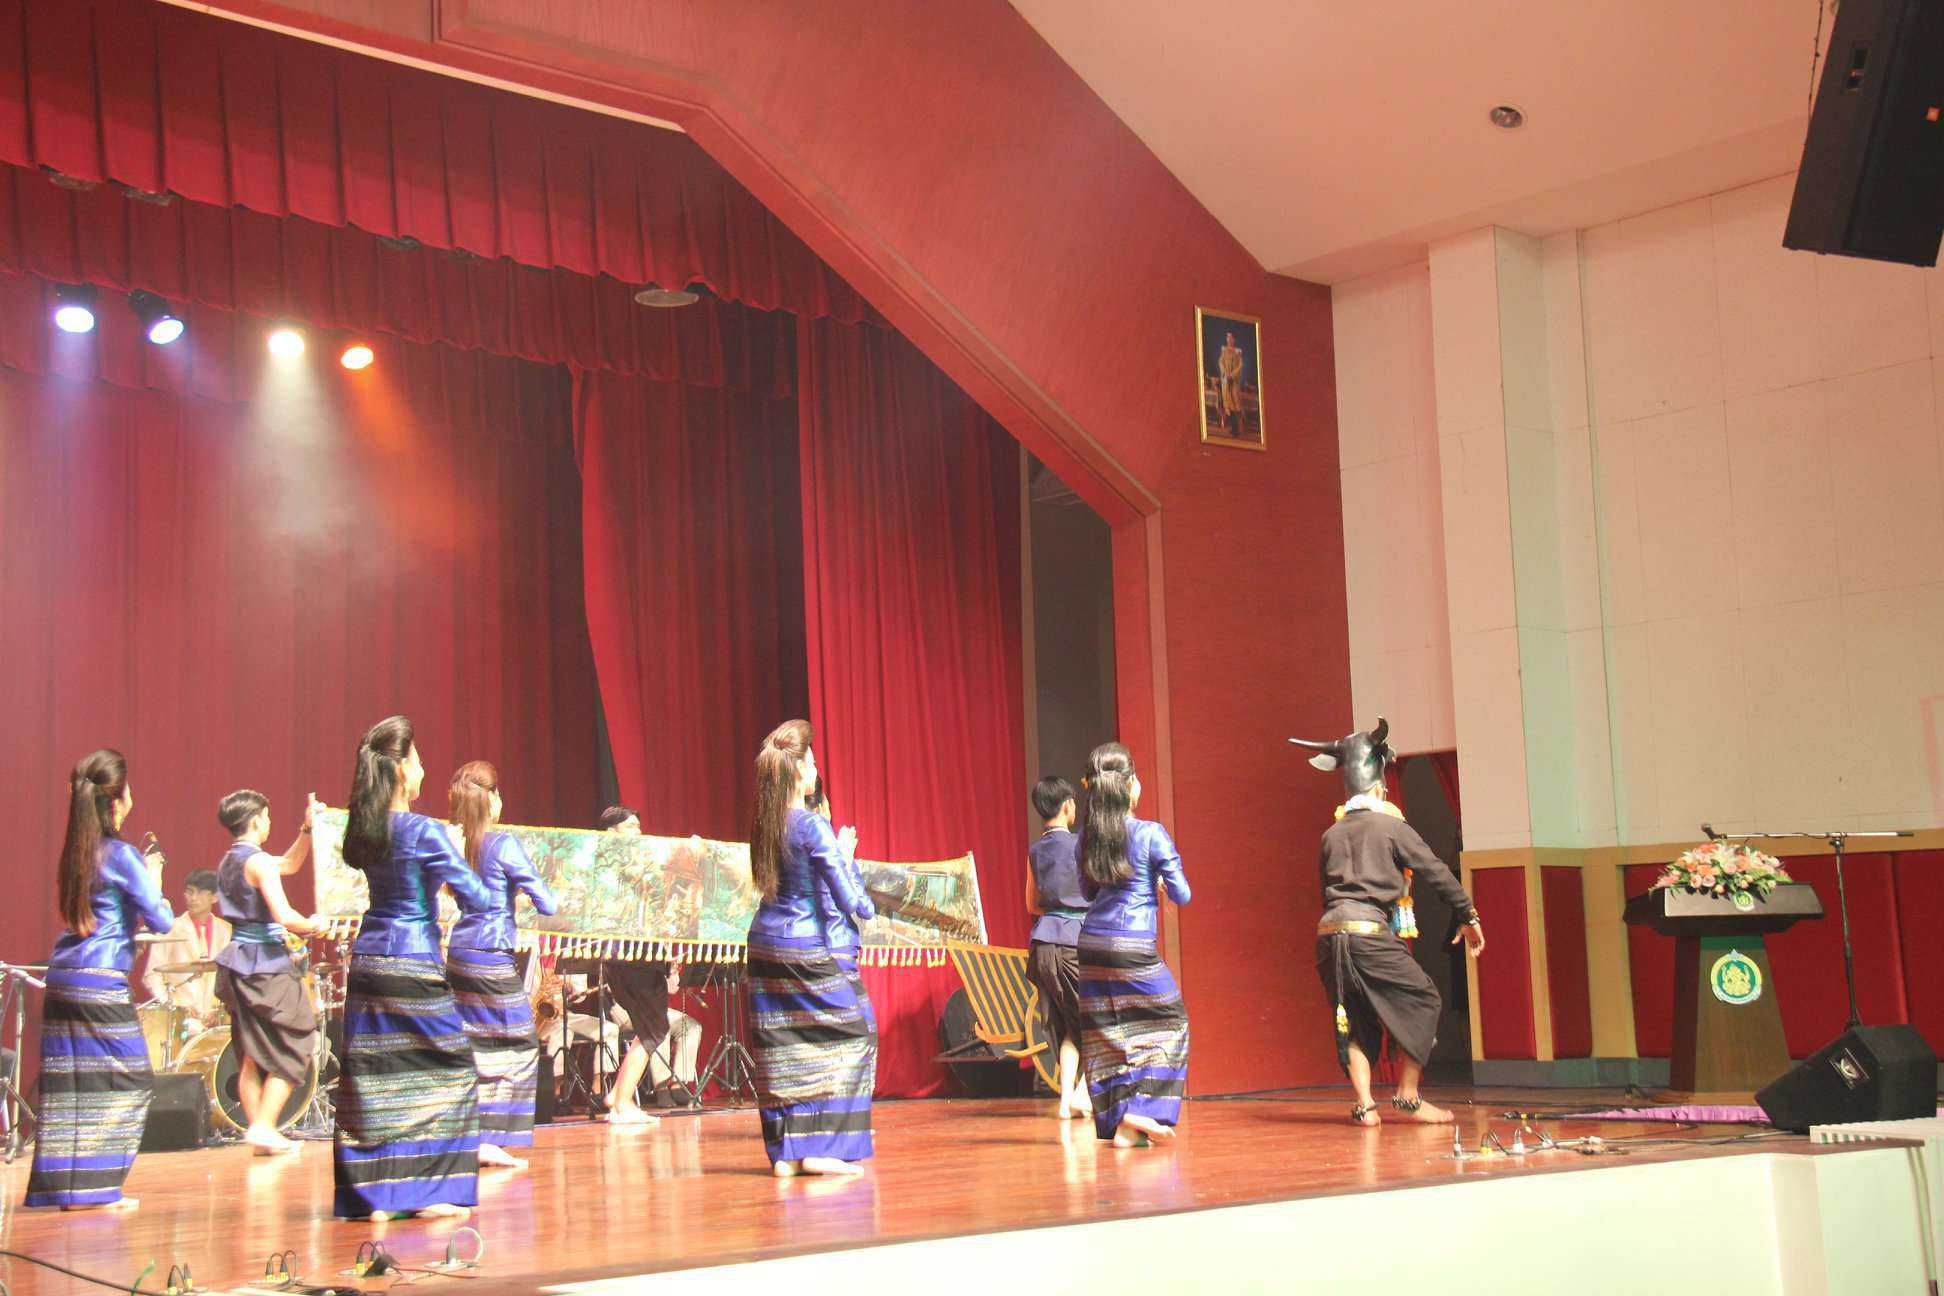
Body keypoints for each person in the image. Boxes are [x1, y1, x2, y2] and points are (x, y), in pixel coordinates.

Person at [332, 716, 493, 1220]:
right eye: (418, 760)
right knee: (452, 1072)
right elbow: (477, 896)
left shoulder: (365, 828)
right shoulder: (424, 831)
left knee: (375, 1076)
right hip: (413, 961)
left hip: (368, 961)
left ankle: (374, 1197)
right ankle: (427, 1194)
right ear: (401, 769)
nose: (423, 770)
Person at [1291, 718, 1485, 1127]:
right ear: (1380, 788)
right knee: (1425, 999)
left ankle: (1365, 1107)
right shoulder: (1392, 827)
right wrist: (1468, 915)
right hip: (1368, 933)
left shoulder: (1331, 835)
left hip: (1330, 934)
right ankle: (1408, 1095)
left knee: (1354, 1017)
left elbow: (1324, 889)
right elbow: (1436, 871)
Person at [25, 749, 173, 1210]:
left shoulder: (76, 852)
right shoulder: (122, 854)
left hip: (64, 975)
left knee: (70, 1085)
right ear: (117, 799)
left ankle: (65, 1190)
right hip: (100, 978)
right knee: (133, 1078)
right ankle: (96, 1188)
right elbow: (162, 919)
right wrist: (154, 876)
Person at [745, 720, 876, 1177]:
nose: (817, 769)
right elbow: (847, 897)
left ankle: (788, 1152)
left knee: (783, 1041)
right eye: (813, 761)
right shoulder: (811, 825)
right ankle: (823, 1148)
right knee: (857, 1033)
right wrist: (868, 904)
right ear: (798, 769)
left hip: (763, 942)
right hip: (801, 943)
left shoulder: (766, 823)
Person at [1076, 742, 1191, 1149]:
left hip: (1091, 944)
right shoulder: (1150, 833)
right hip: (1132, 944)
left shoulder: (1087, 837)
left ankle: (1123, 1124)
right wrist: (1158, 879)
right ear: (1128, 786)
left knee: (1110, 1032)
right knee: (1171, 1022)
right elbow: (1182, 894)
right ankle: (1143, 1110)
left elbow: (1087, 893)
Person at [447, 761, 558, 1168]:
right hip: (491, 953)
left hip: (461, 951)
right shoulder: (502, 844)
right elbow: (547, 903)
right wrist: (527, 893)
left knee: (478, 1042)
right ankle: (490, 1138)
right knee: (521, 1042)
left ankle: (472, 1135)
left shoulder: (459, 845)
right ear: (491, 799)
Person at [209, 788, 327, 1155]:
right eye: (268, 816)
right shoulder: (258, 862)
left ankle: (261, 1133)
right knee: (298, 1039)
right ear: (257, 819)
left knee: (252, 1052)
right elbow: (284, 915)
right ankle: (263, 1125)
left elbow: (289, 864)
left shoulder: (230, 861)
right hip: (265, 964)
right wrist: (315, 923)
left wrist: (307, 830)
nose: (270, 822)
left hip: (240, 961)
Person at [594, 804, 668, 1127]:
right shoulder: (624, 868)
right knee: (654, 1028)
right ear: (611, 834)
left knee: (646, 1027)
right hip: (634, 956)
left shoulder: (606, 867)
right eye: (630, 827)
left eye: (639, 827)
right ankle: (623, 1103)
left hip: (625, 956)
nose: (638, 833)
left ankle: (617, 1095)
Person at [1024, 775, 1089, 1120]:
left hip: (1043, 942)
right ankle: (1082, 1094)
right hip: (1073, 941)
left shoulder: (1036, 850)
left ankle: (1065, 1102)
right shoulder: (1080, 845)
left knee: (1067, 1026)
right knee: (1095, 1022)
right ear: (1067, 806)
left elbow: (1031, 904)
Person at [141, 869, 229, 1026]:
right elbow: (151, 975)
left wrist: (223, 1009)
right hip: (182, 1021)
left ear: (215, 897)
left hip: (216, 1020)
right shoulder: (170, 928)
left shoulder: (226, 930)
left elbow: (232, 978)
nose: (193, 898)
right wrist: (175, 1007)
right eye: (189, 892)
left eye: (200, 893)